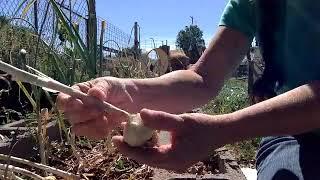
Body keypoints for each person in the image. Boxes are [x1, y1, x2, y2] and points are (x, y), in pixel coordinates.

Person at [57, 0, 320, 179]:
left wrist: (222, 129)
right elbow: (202, 78)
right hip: (291, 133)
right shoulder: (250, 4)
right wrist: (127, 91)